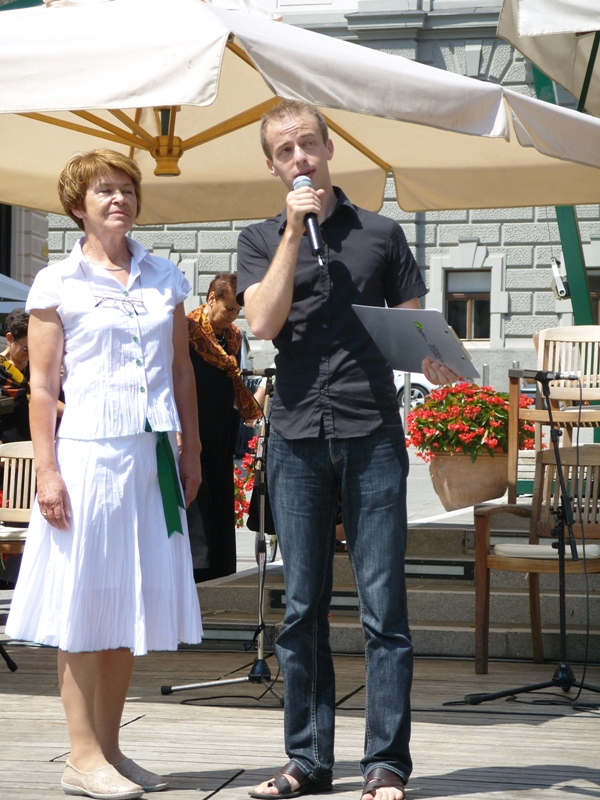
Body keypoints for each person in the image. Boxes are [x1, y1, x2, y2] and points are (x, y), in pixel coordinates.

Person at [236, 100, 457, 800]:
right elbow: (262, 322)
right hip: (296, 436)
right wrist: (292, 232)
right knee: (301, 608)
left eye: (308, 144)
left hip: (371, 435)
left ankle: (385, 763)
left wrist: (435, 363)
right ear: (271, 165)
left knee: (383, 609)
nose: (299, 158)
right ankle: (307, 760)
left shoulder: (381, 234)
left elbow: (413, 332)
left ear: (329, 149)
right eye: (284, 151)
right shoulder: (259, 239)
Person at [6, 149, 203, 800]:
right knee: (83, 602)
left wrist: (193, 451)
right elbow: (41, 388)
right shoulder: (56, 283)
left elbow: (182, 372)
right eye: (104, 191)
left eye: (126, 189)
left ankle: (111, 749)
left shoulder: (164, 276)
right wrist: (47, 471)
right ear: (77, 207)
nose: (119, 199)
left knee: (126, 601)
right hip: (87, 456)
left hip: (152, 458)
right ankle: (81, 755)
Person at [186, 272, 262, 582]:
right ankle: (197, 567)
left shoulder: (233, 336)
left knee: (219, 494)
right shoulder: (187, 330)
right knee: (197, 496)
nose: (233, 316)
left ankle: (219, 566)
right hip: (193, 423)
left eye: (237, 311)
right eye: (229, 308)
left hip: (221, 426)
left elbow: (232, 379)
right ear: (211, 299)